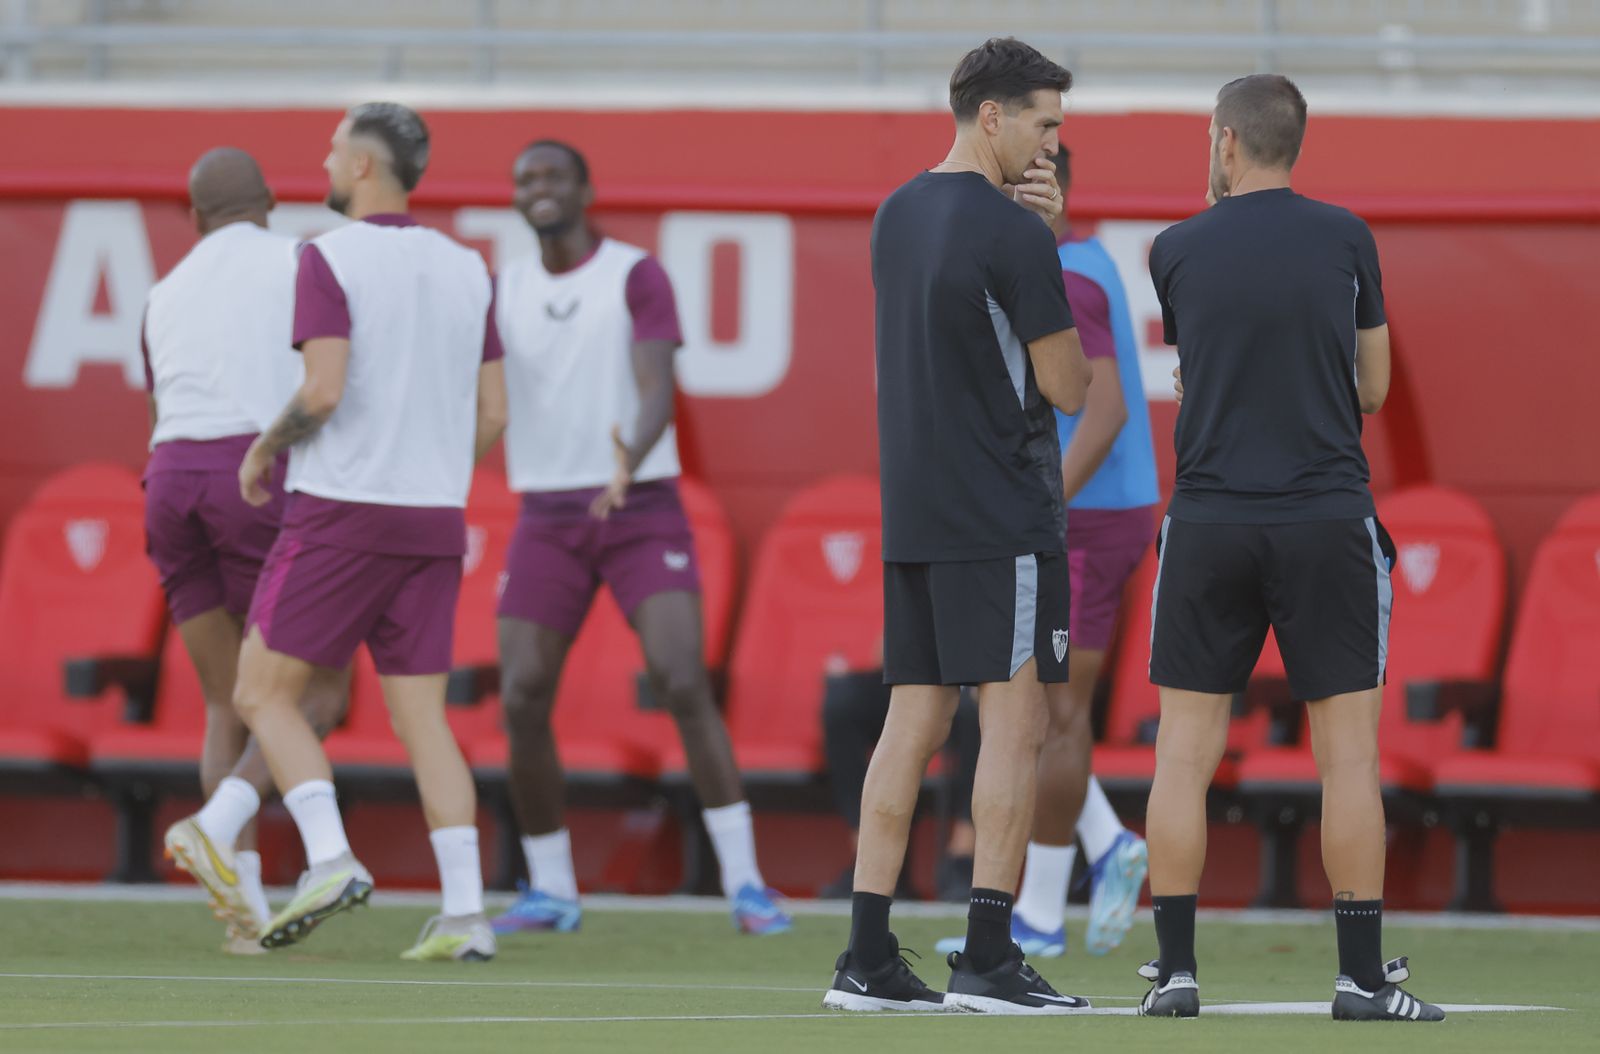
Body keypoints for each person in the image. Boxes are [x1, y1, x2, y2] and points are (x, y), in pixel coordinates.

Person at [1138, 74, 1442, 1022]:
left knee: (1181, 757)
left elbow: (1196, 377)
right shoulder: (1346, 236)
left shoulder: (1173, 248)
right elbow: (1375, 388)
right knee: (1347, 761)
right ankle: (1359, 980)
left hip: (1210, 522)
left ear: (1226, 141)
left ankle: (1176, 975)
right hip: (1323, 518)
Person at [823, 37, 1093, 1015]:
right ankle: (986, 953)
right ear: (992, 115)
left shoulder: (894, 213)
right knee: (1014, 729)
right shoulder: (1015, 231)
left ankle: (865, 956)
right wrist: (1051, 248)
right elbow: (1066, 383)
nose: (1051, 144)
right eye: (1043, 122)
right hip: (1002, 513)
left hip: (919, 513)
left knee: (914, 723)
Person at [226, 102, 509, 962]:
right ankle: (466, 916)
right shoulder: (468, 266)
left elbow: (320, 392)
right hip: (431, 517)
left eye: (332, 148)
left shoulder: (325, 255)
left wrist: (262, 449)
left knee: (261, 693)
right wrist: (427, 466)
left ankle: (329, 857)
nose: (320, 158)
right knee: (421, 716)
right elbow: (494, 414)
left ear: (360, 167)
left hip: (342, 509)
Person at [487, 139, 789, 937]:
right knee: (520, 692)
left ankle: (748, 884)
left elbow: (658, 384)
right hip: (548, 513)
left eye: (552, 176)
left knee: (680, 677)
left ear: (584, 189)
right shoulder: (503, 289)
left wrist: (630, 453)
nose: (538, 189)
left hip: (641, 503)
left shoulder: (634, 273)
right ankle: (550, 887)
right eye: (525, 180)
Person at [935, 144, 1156, 963]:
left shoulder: (1073, 273)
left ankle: (1041, 914)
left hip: (1088, 521)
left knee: (1054, 717)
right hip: (1091, 514)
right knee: (1032, 708)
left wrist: (1040, 507)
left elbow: (1103, 416)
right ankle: (1102, 846)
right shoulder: (1070, 261)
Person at [147, 148, 347, 956]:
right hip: (258, 473)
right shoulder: (302, 258)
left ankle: (246, 911)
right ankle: (214, 823)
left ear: (194, 218)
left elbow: (158, 399)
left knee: (228, 700)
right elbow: (331, 382)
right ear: (270, 201)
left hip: (169, 477)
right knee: (317, 696)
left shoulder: (164, 290)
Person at [821, 672, 980, 901]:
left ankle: (963, 858)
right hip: (919, 678)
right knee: (842, 703)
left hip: (975, 679)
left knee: (977, 708)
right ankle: (871, 855)